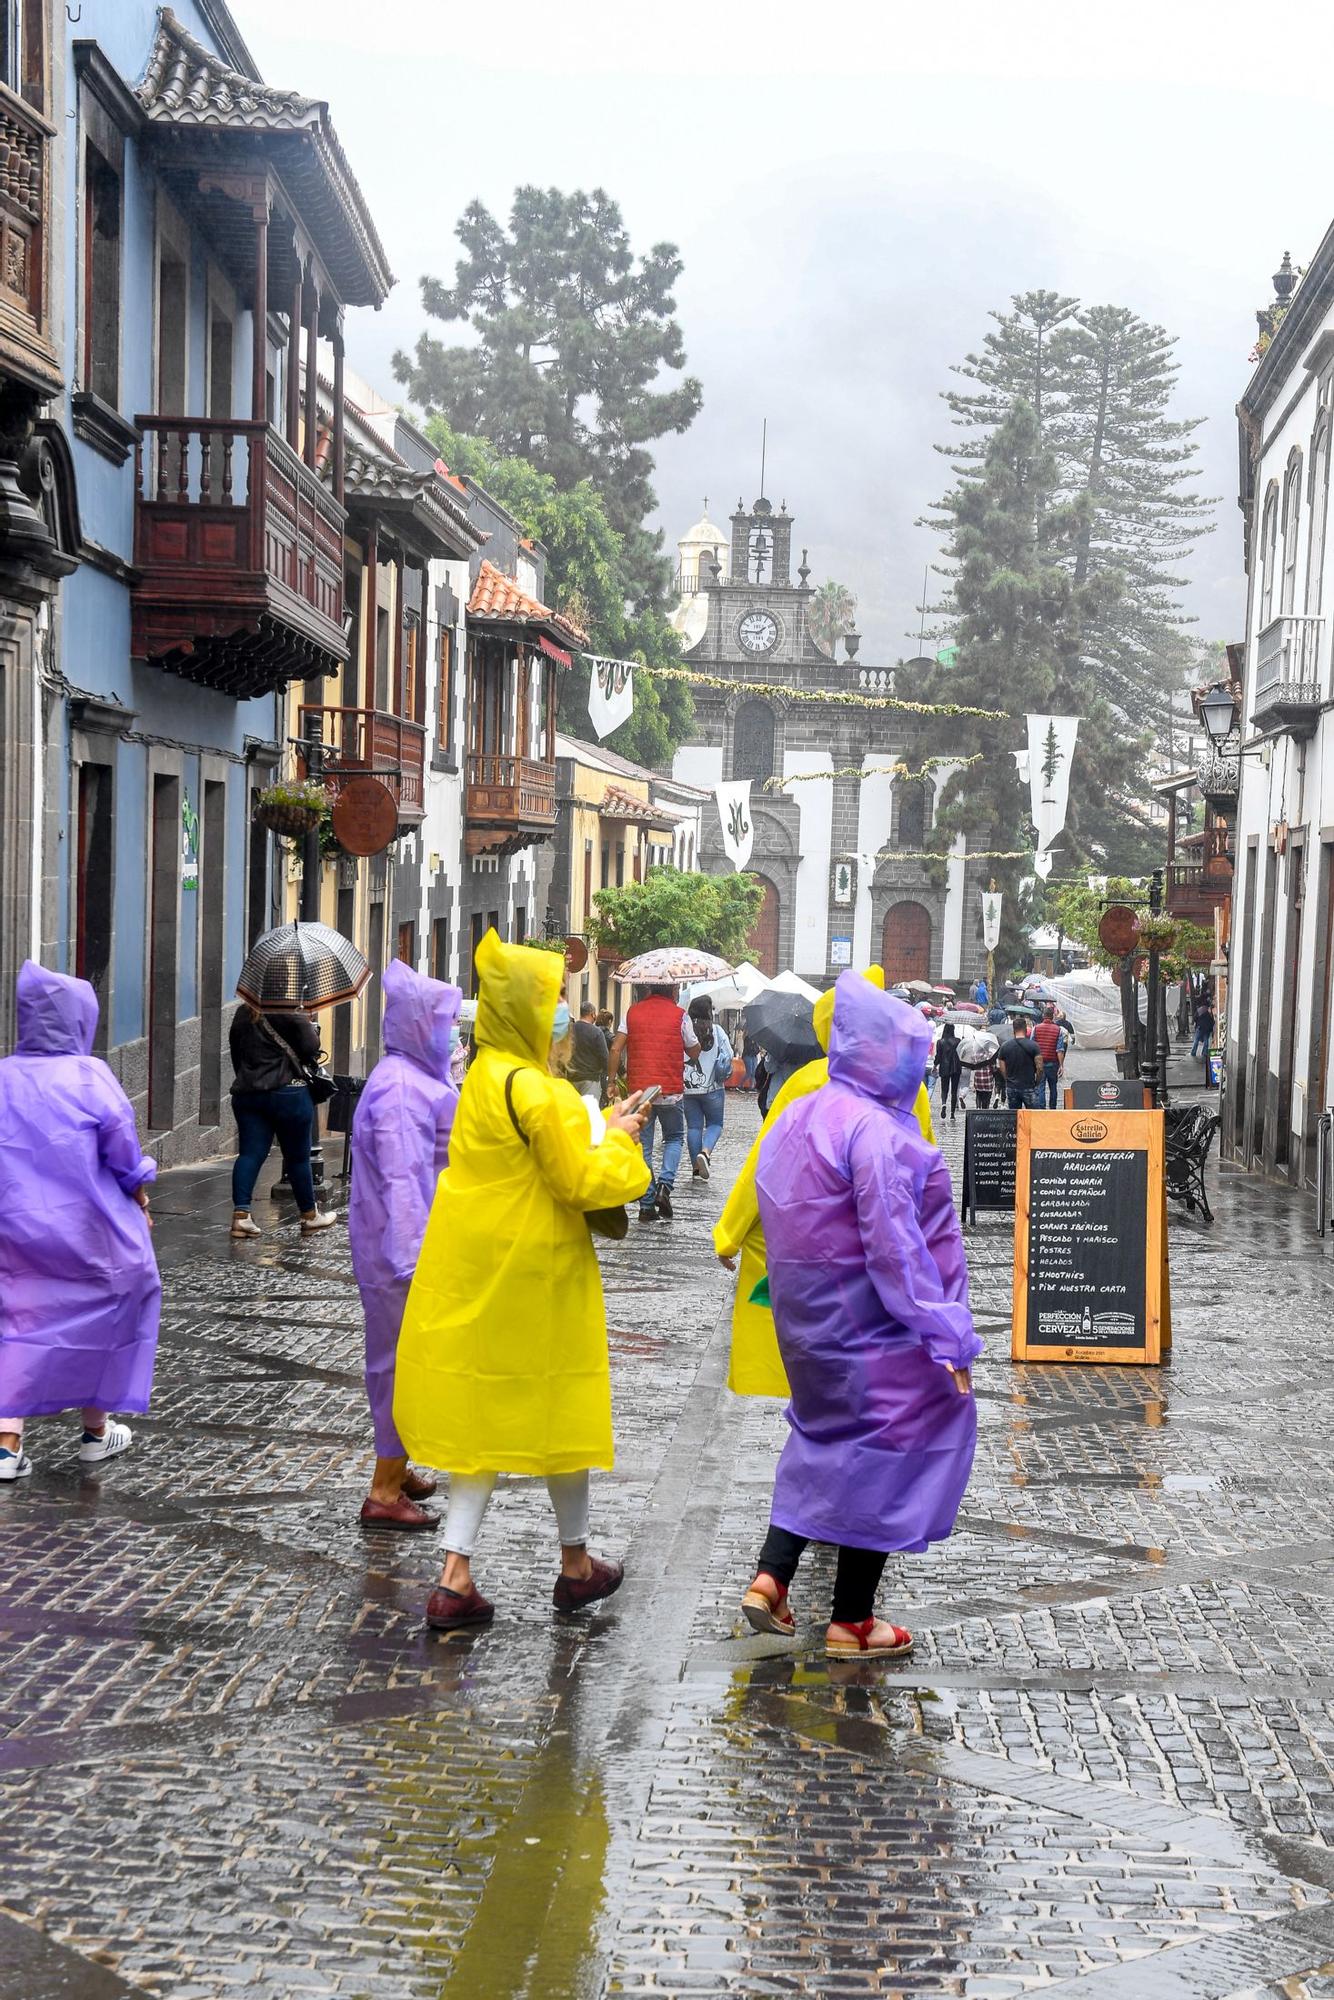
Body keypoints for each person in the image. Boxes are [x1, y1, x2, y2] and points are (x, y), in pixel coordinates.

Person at [393, 929, 652, 1633]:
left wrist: (594, 1122)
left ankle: (456, 1575)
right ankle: (574, 1565)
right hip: (539, 1274)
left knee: (485, 1419)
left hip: (478, 1267)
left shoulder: (483, 1077)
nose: (561, 1009)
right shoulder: (540, 1090)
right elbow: (579, 1178)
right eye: (554, 998)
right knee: (557, 1410)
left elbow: (529, 1155)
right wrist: (624, 1146)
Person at [739, 976, 980, 1658]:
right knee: (888, 1449)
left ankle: (771, 1577)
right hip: (876, 1328)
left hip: (809, 1326)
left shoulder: (798, 1113)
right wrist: (946, 1331)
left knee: (821, 1441)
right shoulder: (874, 1131)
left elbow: (767, 1198)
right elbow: (895, 1247)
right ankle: (852, 1620)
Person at [715, 968, 935, 1399]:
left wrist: (730, 1232)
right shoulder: (912, 1087)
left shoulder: (806, 1081)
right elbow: (923, 1174)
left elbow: (765, 1164)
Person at [0, 961, 161, 1479]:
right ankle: (96, 1430)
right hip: (90, 1232)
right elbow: (124, 1154)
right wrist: (140, 1199)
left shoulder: (3, 1076)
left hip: (16, 1230)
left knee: (17, 1321)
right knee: (115, 1309)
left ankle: (6, 1443)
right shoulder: (90, 1076)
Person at [348, 960, 462, 1531]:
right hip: (401, 1254)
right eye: (442, 1022)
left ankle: (397, 1462)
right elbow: (402, 1179)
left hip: (411, 1247)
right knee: (398, 1366)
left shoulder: (412, 1077)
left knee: (406, 1363)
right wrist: (412, 1257)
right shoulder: (398, 1089)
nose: (450, 1034)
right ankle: (385, 1489)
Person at [228, 1000, 335, 1237]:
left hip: (249, 1094)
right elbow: (311, 1047)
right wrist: (306, 1021)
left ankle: (241, 1216)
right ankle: (309, 1215)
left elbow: (236, 1054)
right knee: (297, 1158)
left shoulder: (242, 1014)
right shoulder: (289, 1012)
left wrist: (252, 1080)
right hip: (289, 1094)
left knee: (249, 1154)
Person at [608, 983, 700, 1222]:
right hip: (671, 1091)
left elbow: (616, 1048)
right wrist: (698, 1042)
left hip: (642, 1093)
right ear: (673, 990)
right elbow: (694, 1051)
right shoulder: (681, 1015)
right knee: (674, 1138)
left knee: (644, 1146)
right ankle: (664, 1187)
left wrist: (611, 1080)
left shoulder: (632, 1012)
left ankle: (647, 1204)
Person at [683, 996, 734, 1180]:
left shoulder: (685, 1030)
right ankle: (705, 1153)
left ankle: (696, 1169)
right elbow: (729, 1055)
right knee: (715, 1124)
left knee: (694, 1128)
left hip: (688, 1088)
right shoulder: (717, 1031)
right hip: (713, 1088)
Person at [567, 1001, 610, 1107]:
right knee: (590, 1113)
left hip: (571, 1077)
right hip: (590, 1078)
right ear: (592, 1014)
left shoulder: (570, 1029)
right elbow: (604, 1057)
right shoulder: (596, 1032)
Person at [997, 1019, 1041, 1109]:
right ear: (1025, 1029)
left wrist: (1007, 1079)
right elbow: (1040, 1068)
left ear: (1013, 1030)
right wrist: (1037, 1082)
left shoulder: (1005, 1046)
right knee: (1033, 1115)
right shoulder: (1034, 1046)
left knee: (1015, 1116)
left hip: (1012, 1087)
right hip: (1029, 1085)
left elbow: (1000, 1066)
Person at [1031, 1004, 1066, 1110]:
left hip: (1039, 1062)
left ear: (1043, 1016)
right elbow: (1059, 1049)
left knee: (1040, 1087)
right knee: (1053, 1087)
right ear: (1052, 1017)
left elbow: (1032, 1045)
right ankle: (1053, 1107)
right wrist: (1061, 1065)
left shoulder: (1036, 1028)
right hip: (1053, 1063)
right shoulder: (1057, 1029)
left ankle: (1041, 1108)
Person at [933, 1022, 964, 1121]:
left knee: (944, 1088)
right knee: (954, 1091)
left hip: (944, 1067)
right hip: (956, 1068)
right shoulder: (958, 1041)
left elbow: (938, 1056)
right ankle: (952, 1114)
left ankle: (943, 1104)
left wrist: (935, 1065)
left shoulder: (940, 1042)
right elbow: (961, 1054)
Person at [1191, 992, 1216, 1062]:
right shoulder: (1210, 1010)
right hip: (1207, 1028)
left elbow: (1195, 1018)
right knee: (1206, 1041)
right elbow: (1212, 1019)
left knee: (1196, 1040)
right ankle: (1204, 1052)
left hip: (1200, 1027)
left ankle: (1193, 1052)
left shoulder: (1200, 1009)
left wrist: (1196, 1023)